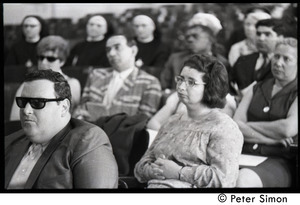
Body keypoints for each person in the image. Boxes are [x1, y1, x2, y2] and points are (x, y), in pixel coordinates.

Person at [134, 54, 243, 188]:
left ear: (210, 87)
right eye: (180, 79)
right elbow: (140, 166)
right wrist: (153, 171)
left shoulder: (223, 127)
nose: (180, 87)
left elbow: (224, 180)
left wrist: (179, 172)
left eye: (191, 82)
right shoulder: (172, 121)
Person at [5, 69, 118, 189]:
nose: (26, 111)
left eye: (37, 102)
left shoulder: (88, 140)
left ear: (64, 107)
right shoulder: (10, 141)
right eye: (23, 102)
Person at [234, 38, 298, 187]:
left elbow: (287, 129)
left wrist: (248, 126)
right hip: (242, 155)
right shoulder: (257, 87)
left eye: (286, 59)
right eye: (276, 56)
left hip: (277, 161)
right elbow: (235, 126)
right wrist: (269, 139)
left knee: (242, 181)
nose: (278, 62)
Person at [72, 35, 162, 122]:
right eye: (108, 50)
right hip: (91, 131)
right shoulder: (96, 75)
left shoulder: (149, 82)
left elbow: (143, 121)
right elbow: (82, 107)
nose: (111, 53)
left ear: (133, 51)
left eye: (117, 48)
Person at [10, 35, 81, 121]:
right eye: (41, 57)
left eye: (50, 59)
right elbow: (14, 119)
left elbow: (73, 117)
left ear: (62, 61)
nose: (43, 62)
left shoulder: (72, 84)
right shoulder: (28, 84)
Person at [160, 12, 229, 94]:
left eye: (195, 36)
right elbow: (163, 86)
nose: (190, 40)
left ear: (210, 39)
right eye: (187, 37)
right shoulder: (175, 59)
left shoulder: (221, 62)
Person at [230, 18, 285, 98]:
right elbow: (228, 85)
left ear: (280, 38)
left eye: (267, 34)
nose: (261, 38)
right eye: (258, 34)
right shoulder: (242, 61)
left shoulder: (287, 64)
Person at [131, 14, 171, 79]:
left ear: (153, 27)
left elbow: (158, 70)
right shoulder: (128, 44)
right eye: (136, 26)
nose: (140, 29)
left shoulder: (162, 47)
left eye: (144, 25)